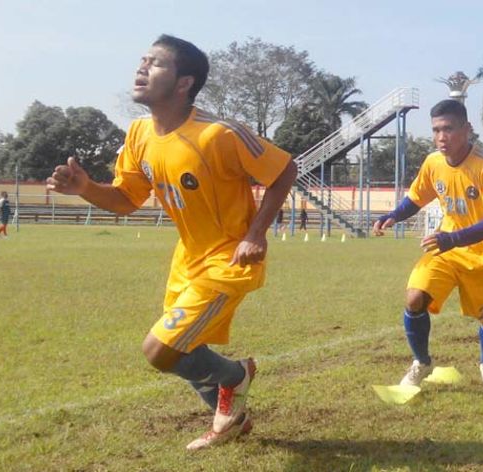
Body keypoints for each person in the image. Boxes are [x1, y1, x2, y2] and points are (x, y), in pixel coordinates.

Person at [46, 35, 297, 450]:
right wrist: (87, 188)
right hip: (187, 259)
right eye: (142, 60)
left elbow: (284, 169)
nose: (142, 68)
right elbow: (127, 199)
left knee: (159, 351)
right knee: (183, 349)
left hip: (229, 260)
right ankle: (231, 416)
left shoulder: (219, 133)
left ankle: (236, 377)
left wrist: (256, 235)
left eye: (156, 63)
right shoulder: (139, 133)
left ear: (184, 83)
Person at [373, 100, 483, 387]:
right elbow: (417, 196)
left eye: (448, 129)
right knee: (414, 298)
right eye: (436, 130)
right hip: (445, 249)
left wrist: (454, 239)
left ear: (467, 129)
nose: (441, 137)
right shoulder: (433, 162)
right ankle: (421, 362)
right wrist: (394, 215)